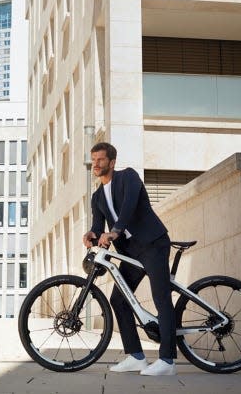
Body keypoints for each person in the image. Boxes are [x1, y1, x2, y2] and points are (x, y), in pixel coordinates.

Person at [82, 142, 176, 376]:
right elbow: (98, 226)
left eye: (101, 159)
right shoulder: (97, 197)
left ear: (112, 162)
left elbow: (129, 207)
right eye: (93, 159)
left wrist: (116, 230)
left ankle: (167, 361)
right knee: (119, 300)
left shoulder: (128, 177)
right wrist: (92, 235)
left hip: (152, 244)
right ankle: (136, 356)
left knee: (161, 297)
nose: (96, 164)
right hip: (130, 251)